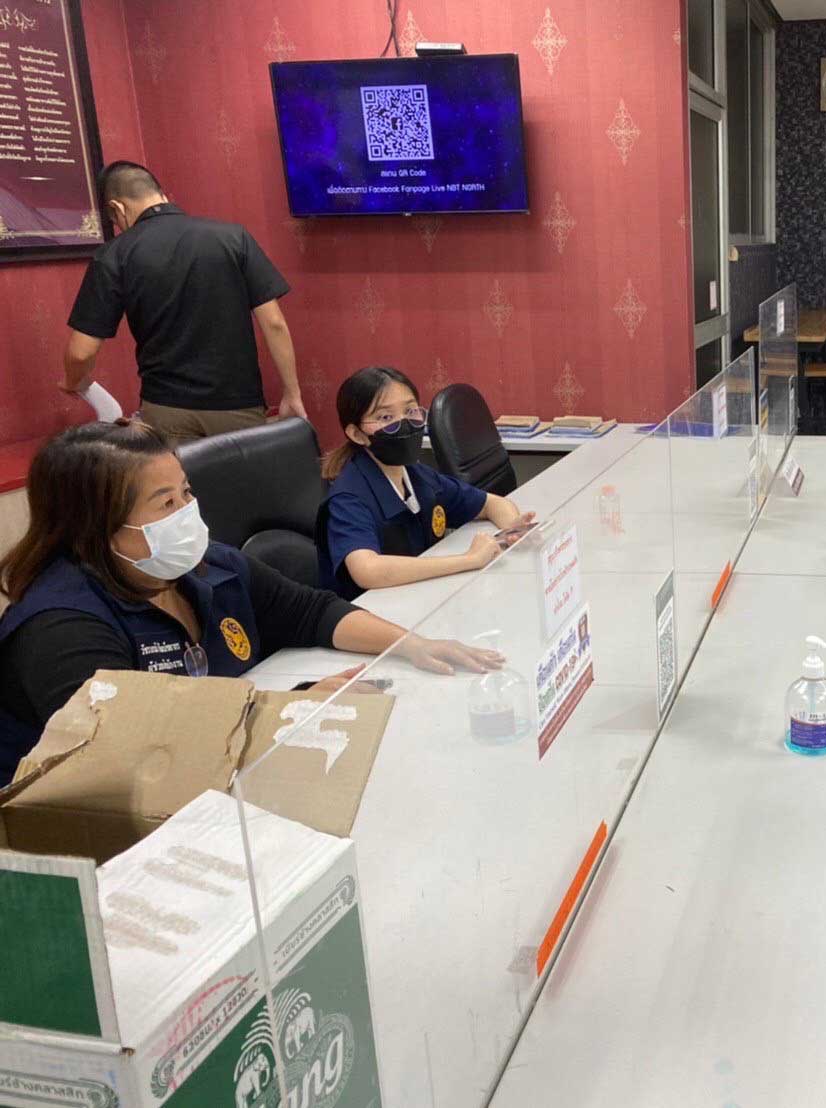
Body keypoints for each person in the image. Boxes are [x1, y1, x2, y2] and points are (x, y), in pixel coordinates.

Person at [0, 421, 503, 785]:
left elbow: (311, 612)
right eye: (166, 503)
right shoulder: (62, 629)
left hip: (224, 778)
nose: (187, 512)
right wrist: (288, 710)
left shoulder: (206, 566)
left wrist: (410, 645)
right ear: (96, 525)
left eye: (186, 492)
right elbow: (138, 758)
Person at [61, 162, 308, 446]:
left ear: (117, 208)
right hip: (238, 404)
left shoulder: (114, 254)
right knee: (243, 476)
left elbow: (81, 353)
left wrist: (74, 382)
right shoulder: (233, 237)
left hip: (166, 407)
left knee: (176, 477)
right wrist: (292, 392)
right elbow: (274, 324)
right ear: (162, 194)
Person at [318, 367, 535, 600]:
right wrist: (469, 560)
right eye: (385, 417)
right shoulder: (348, 498)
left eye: (410, 411)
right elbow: (367, 570)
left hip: (421, 596)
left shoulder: (416, 474)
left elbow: (490, 503)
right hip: (371, 611)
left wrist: (511, 530)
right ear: (357, 434)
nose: (404, 424)